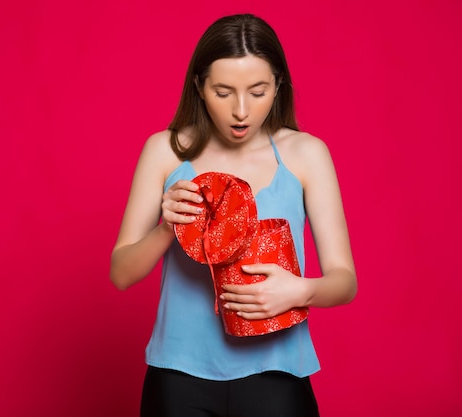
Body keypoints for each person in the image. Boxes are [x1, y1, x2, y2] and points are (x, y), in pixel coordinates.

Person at [110, 13, 357, 417]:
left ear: (278, 86)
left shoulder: (307, 154)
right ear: (200, 87)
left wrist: (301, 291)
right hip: (178, 379)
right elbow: (121, 274)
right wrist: (167, 228)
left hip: (277, 375)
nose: (241, 111)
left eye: (257, 92)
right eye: (223, 92)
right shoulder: (165, 150)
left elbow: (344, 281)